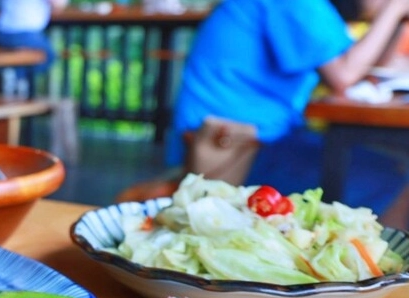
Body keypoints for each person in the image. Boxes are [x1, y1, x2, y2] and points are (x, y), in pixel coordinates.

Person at [153, 0, 409, 228]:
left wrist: (395, 18)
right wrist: (393, 8)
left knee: (390, 167)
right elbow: (344, 76)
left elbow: (367, 71)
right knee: (396, 176)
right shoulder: (297, 3)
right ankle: (383, 272)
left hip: (252, 140)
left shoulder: (317, 10)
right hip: (231, 151)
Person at [0, 0, 68, 97]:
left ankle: (15, 75)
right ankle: (18, 76)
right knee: (49, 55)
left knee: (30, 56)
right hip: (25, 33)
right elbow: (58, 4)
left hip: (3, 32)